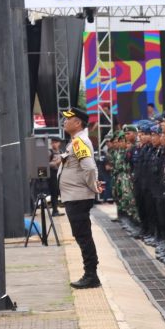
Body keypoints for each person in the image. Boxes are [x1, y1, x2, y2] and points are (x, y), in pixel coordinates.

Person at [58, 107, 104, 289]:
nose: (64, 122)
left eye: (68, 119)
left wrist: (93, 186)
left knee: (83, 236)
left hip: (78, 196)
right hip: (74, 196)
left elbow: (90, 168)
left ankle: (91, 275)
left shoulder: (79, 142)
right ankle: (90, 273)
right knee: (81, 235)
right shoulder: (75, 141)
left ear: (77, 123)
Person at [48, 136, 64, 216]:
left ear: (59, 143)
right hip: (52, 174)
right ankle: (55, 211)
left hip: (60, 174)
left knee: (59, 192)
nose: (54, 144)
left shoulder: (61, 152)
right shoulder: (49, 152)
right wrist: (57, 162)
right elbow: (45, 164)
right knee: (54, 192)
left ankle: (57, 208)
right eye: (53, 142)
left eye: (56, 142)